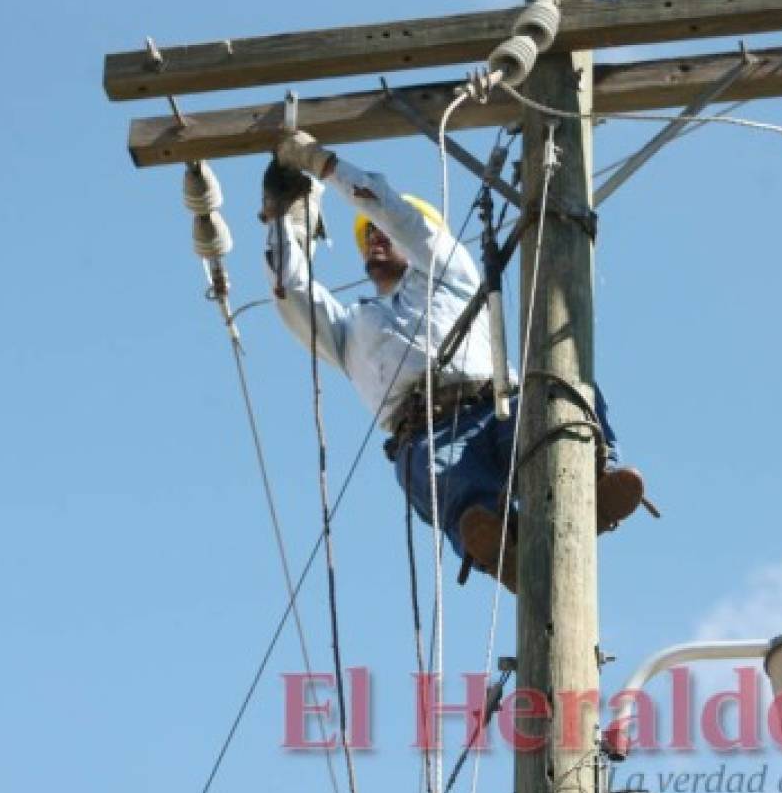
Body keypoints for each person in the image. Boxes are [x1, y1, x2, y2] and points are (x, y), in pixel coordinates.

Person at [262, 130, 647, 591]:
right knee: (464, 503)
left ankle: (596, 479)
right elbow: (290, 291)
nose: (375, 239)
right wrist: (283, 218)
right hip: (425, 434)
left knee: (561, 390)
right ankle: (506, 550)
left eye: (381, 231)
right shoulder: (350, 330)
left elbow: (392, 210)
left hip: (499, 408)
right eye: (368, 237)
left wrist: (324, 164)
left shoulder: (449, 272)